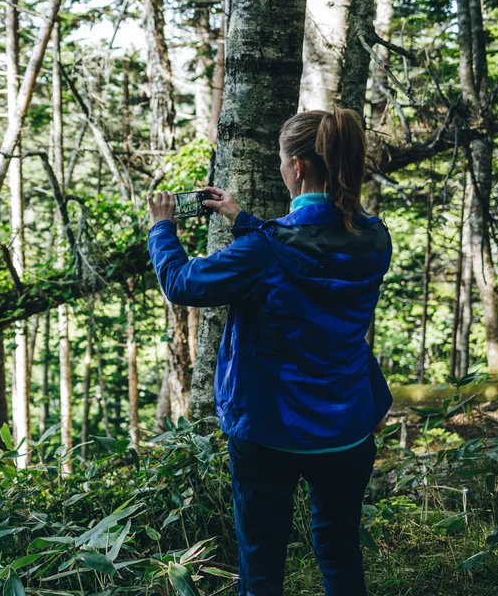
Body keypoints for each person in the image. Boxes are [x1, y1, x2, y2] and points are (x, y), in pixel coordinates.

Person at [147, 108, 392, 596]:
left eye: (283, 161)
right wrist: (245, 220)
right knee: (341, 550)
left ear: (297, 167)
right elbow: (308, 256)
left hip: (269, 429)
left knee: (262, 564)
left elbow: (182, 283)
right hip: (347, 425)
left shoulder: (266, 249)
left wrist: (162, 228)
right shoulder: (374, 239)